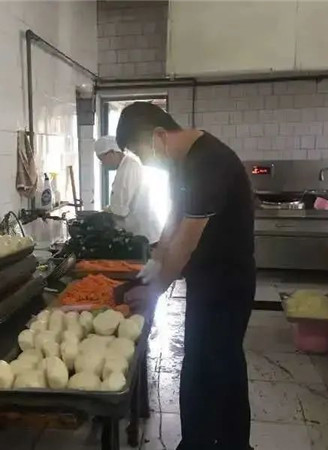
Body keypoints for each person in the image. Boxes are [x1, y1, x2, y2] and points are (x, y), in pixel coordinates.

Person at [116, 102, 255, 450]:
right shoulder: (183, 162)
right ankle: (219, 442)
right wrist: (155, 262)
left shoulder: (209, 162)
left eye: (141, 153)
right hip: (206, 278)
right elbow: (174, 218)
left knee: (214, 366)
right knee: (209, 363)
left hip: (228, 282)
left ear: (158, 136)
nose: (145, 162)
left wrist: (155, 291)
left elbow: (187, 241)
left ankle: (213, 443)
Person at [94, 135, 162, 244]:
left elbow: (121, 209)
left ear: (112, 152)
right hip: (140, 232)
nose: (103, 164)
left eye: (102, 159)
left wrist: (104, 213)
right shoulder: (127, 163)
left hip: (143, 234)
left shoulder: (129, 167)